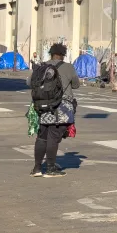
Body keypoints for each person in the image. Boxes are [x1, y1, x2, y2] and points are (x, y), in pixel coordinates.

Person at [30, 43, 79, 178]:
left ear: (50, 54)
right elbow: (76, 84)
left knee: (42, 137)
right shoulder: (68, 67)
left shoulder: (41, 66)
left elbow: (29, 82)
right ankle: (51, 168)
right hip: (61, 107)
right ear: (63, 55)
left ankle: (37, 168)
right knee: (54, 136)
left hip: (42, 106)